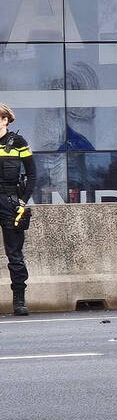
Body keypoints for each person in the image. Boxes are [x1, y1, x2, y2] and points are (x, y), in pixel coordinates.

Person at [0, 104, 35, 316]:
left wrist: (22, 201)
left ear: (5, 119)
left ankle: (19, 300)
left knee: (14, 254)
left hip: (10, 201)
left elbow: (32, 174)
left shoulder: (18, 143)